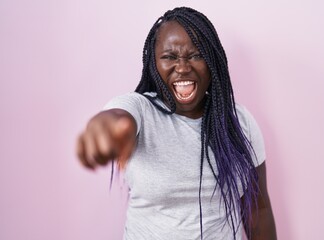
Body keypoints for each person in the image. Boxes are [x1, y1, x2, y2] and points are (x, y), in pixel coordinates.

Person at [76, 7, 277, 240]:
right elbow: (116, 117)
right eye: (169, 57)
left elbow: (258, 210)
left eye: (195, 55)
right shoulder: (141, 109)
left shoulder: (239, 122)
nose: (182, 68)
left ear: (213, 61)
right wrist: (105, 128)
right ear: (154, 63)